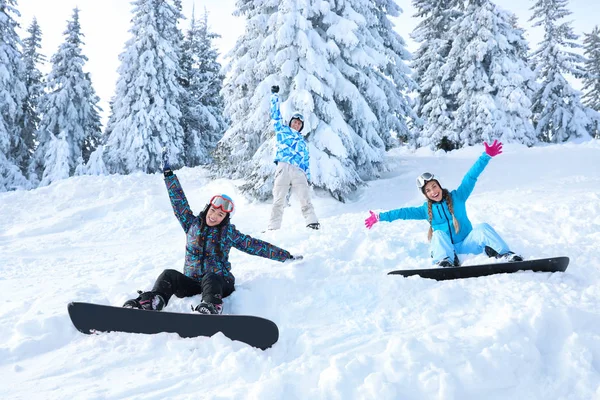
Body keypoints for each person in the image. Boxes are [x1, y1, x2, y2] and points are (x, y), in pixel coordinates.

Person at [123, 150, 303, 314]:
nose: (214, 216)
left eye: (220, 214)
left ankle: (210, 307)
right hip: (192, 282)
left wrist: (284, 256)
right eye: (213, 211)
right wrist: (169, 177)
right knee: (168, 274)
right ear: (207, 209)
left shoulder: (228, 233)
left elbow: (255, 246)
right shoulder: (191, 224)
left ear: (225, 218)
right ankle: (153, 301)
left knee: (211, 277)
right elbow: (179, 203)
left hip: (220, 283)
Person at [364, 140, 522, 267]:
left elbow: (470, 177)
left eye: (434, 186)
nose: (433, 191)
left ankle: (505, 254)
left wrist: (485, 156)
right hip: (448, 250)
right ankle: (444, 262)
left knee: (482, 228)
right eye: (428, 190)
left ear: (439, 186)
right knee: (438, 234)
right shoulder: (425, 210)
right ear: (426, 195)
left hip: (468, 245)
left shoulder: (458, 197)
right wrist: (380, 217)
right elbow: (402, 213)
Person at [267, 85, 320, 231]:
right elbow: (275, 115)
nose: (296, 124)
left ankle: (312, 222)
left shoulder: (302, 142)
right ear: (290, 122)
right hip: (283, 167)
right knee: (278, 199)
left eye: (299, 123)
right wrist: (274, 96)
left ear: (301, 126)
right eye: (294, 122)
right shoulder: (282, 130)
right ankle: (273, 227)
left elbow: (306, 161)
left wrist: (307, 175)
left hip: (298, 170)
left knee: (304, 197)